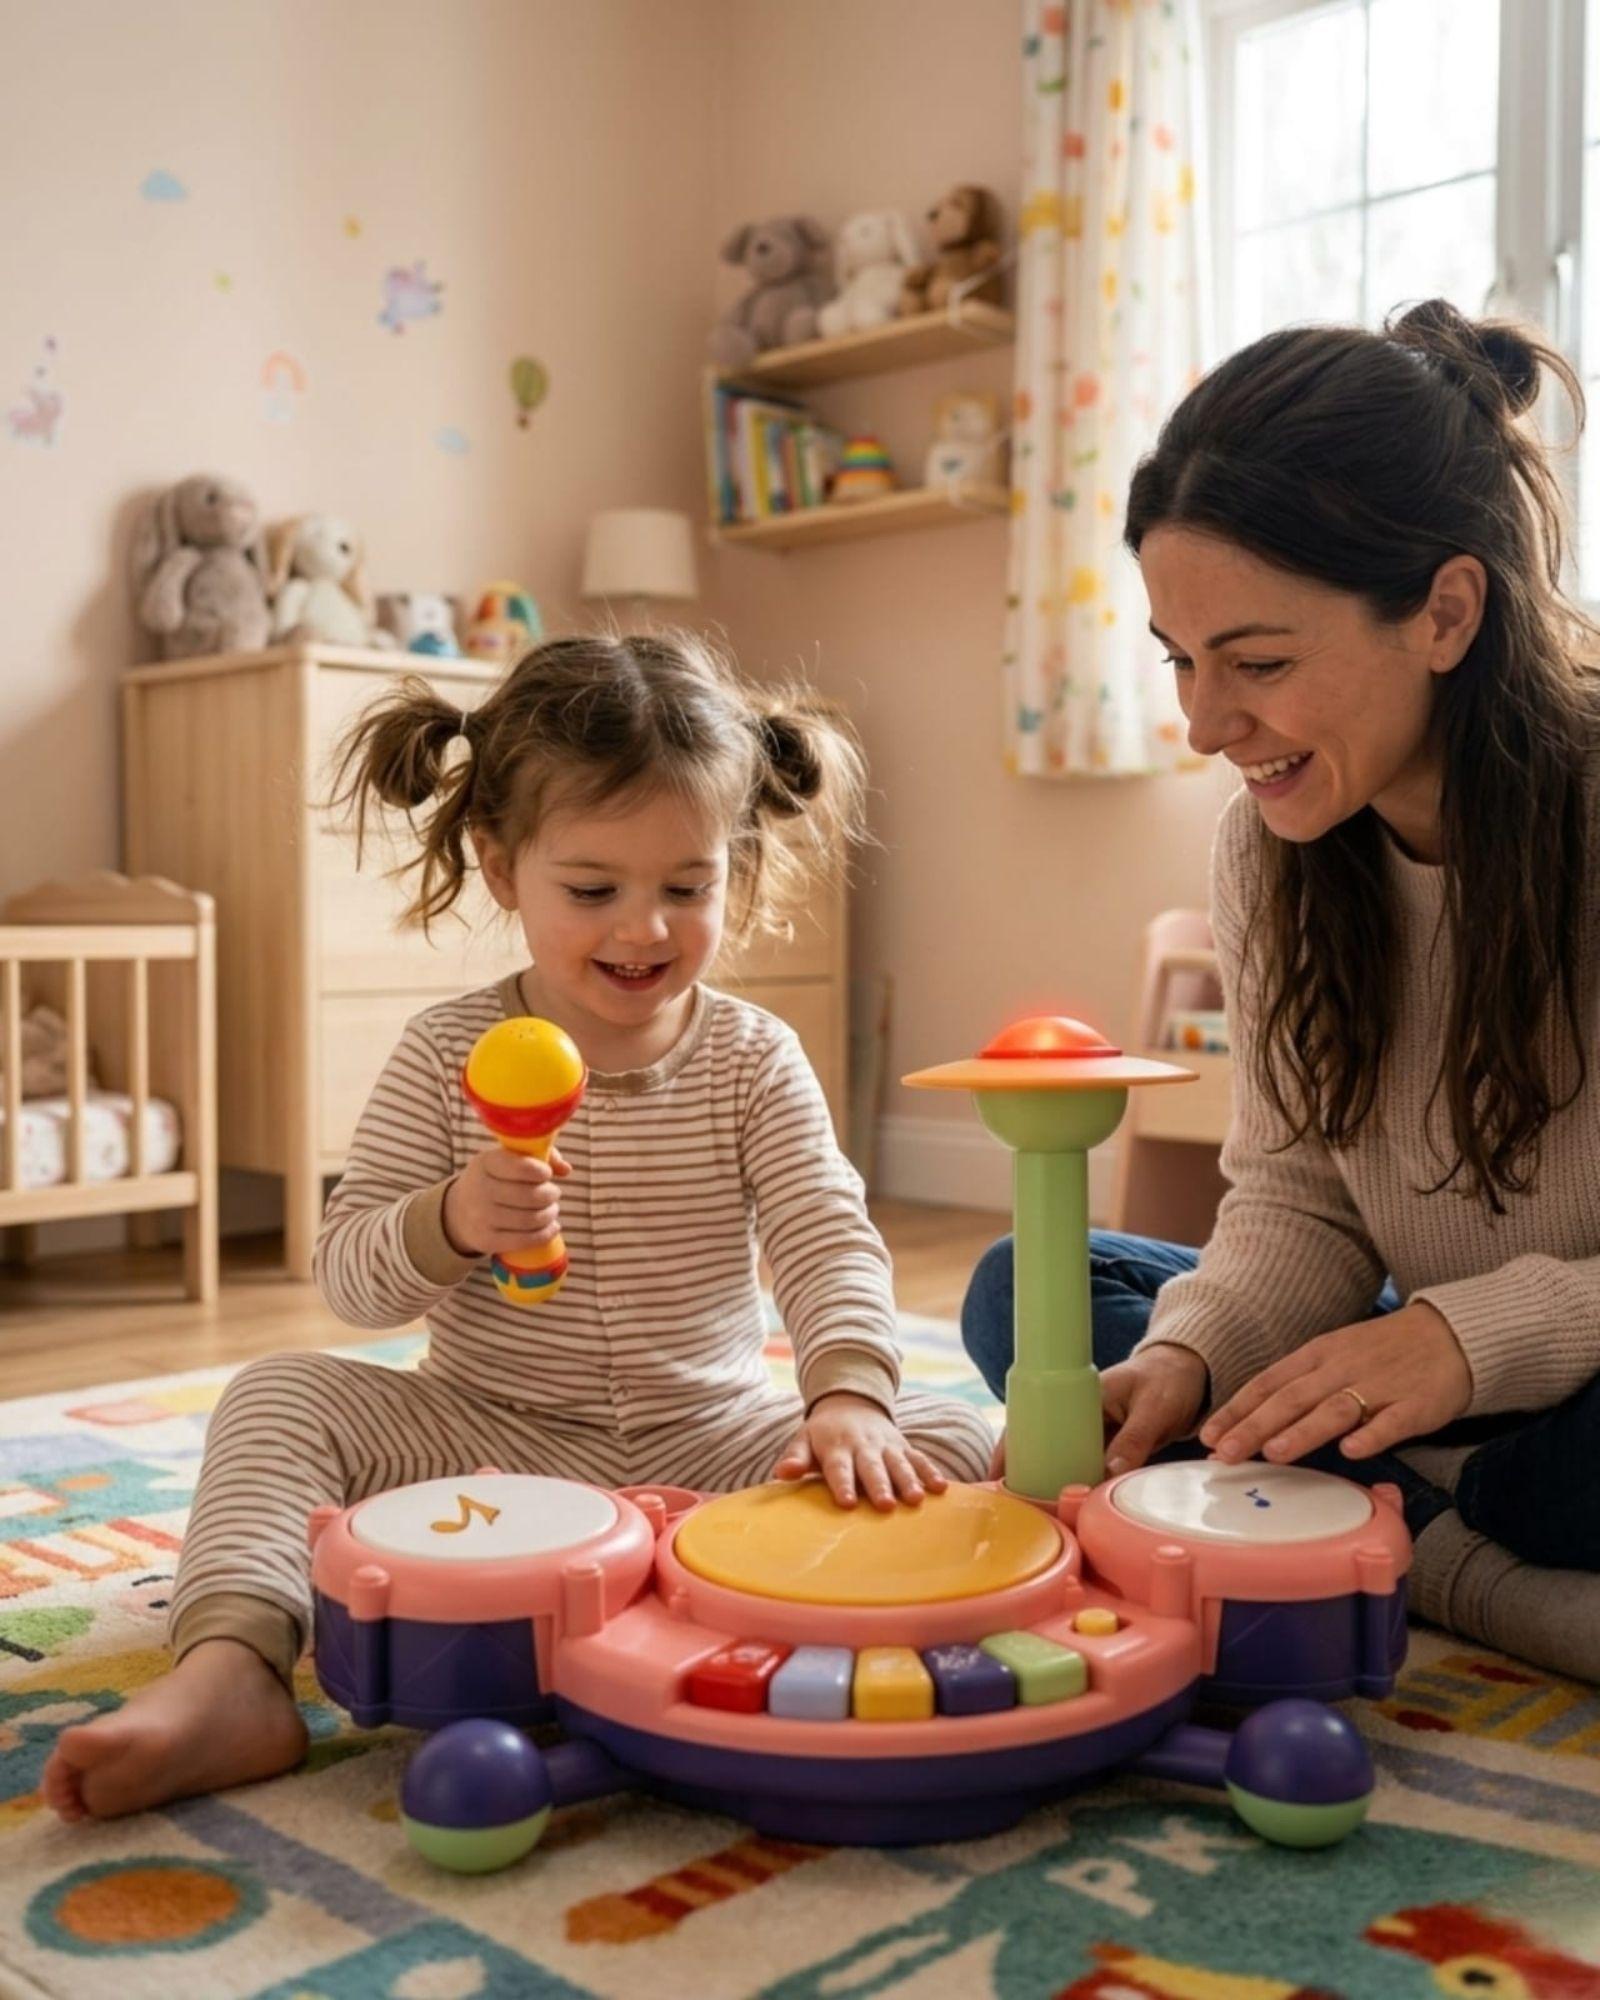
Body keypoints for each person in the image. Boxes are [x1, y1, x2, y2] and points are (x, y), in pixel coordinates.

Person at [44, 630, 993, 1820]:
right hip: (485, 1439)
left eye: (686, 888)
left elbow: (824, 1234)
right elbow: (352, 1277)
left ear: (734, 867)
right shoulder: (445, 1051)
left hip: (709, 1442)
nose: (643, 929)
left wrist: (846, 1391)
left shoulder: (754, 1057)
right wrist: (446, 1220)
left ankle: (722, 1597)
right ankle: (232, 1672)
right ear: (500, 867)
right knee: (277, 1393)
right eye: (593, 889)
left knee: (948, 1433)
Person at [964, 299, 1600, 1682]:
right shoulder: (1272, 846)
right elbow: (1302, 1194)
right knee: (1043, 1302)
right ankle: (1430, 1526)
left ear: (1444, 611)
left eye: (1256, 663)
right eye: (1181, 663)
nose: (1204, 723)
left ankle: (1417, 1534)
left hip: (1556, 1367)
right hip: (1430, 1371)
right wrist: (1193, 1359)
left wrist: (1470, 1343)